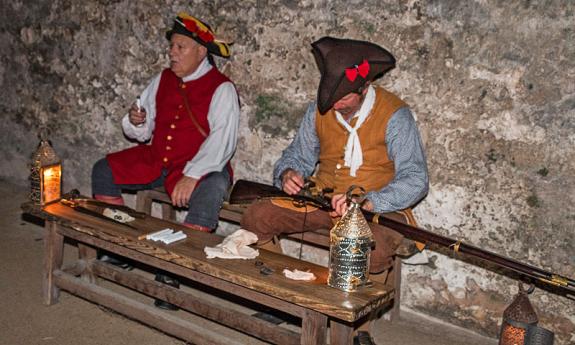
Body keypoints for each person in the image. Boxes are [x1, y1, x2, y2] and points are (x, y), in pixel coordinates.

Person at [241, 37, 428, 341]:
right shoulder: (320, 109)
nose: (334, 106)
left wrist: (370, 201)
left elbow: (415, 178)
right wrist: (289, 173)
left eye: (342, 99)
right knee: (257, 216)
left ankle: (359, 326)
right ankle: (281, 302)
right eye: (330, 98)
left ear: (363, 87)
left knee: (376, 245)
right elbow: (298, 156)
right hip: (323, 198)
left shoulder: (395, 115)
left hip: (376, 207)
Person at [91, 12, 240, 310]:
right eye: (172, 46)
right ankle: (120, 247)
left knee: (211, 190)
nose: (172, 52)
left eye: (180, 47)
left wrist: (193, 175)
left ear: (201, 52)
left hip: (201, 164)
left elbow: (223, 140)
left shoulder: (222, 88)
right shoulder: (162, 78)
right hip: (158, 158)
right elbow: (142, 129)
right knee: (103, 169)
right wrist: (137, 120)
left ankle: (172, 272)